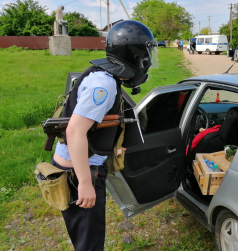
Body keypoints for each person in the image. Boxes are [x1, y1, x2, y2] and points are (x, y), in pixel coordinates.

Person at [51, 20, 158, 251]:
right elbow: (75, 131)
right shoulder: (104, 85)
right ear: (135, 56)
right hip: (77, 172)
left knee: (89, 239)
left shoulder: (106, 77)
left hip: (82, 167)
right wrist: (85, 183)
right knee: (90, 244)